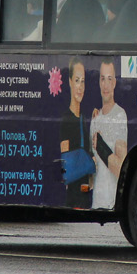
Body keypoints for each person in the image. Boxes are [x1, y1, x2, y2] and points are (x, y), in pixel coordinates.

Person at [90, 59, 128, 209]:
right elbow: (94, 174)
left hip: (111, 203)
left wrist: (101, 147)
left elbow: (122, 169)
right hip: (95, 203)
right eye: (102, 79)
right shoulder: (95, 118)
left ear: (114, 83)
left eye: (109, 79)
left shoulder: (120, 115)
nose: (105, 85)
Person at [58, 57, 91, 208]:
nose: (80, 87)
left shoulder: (84, 118)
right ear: (70, 82)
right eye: (77, 80)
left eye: (83, 81)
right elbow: (64, 155)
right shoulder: (66, 119)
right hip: (72, 190)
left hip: (85, 188)